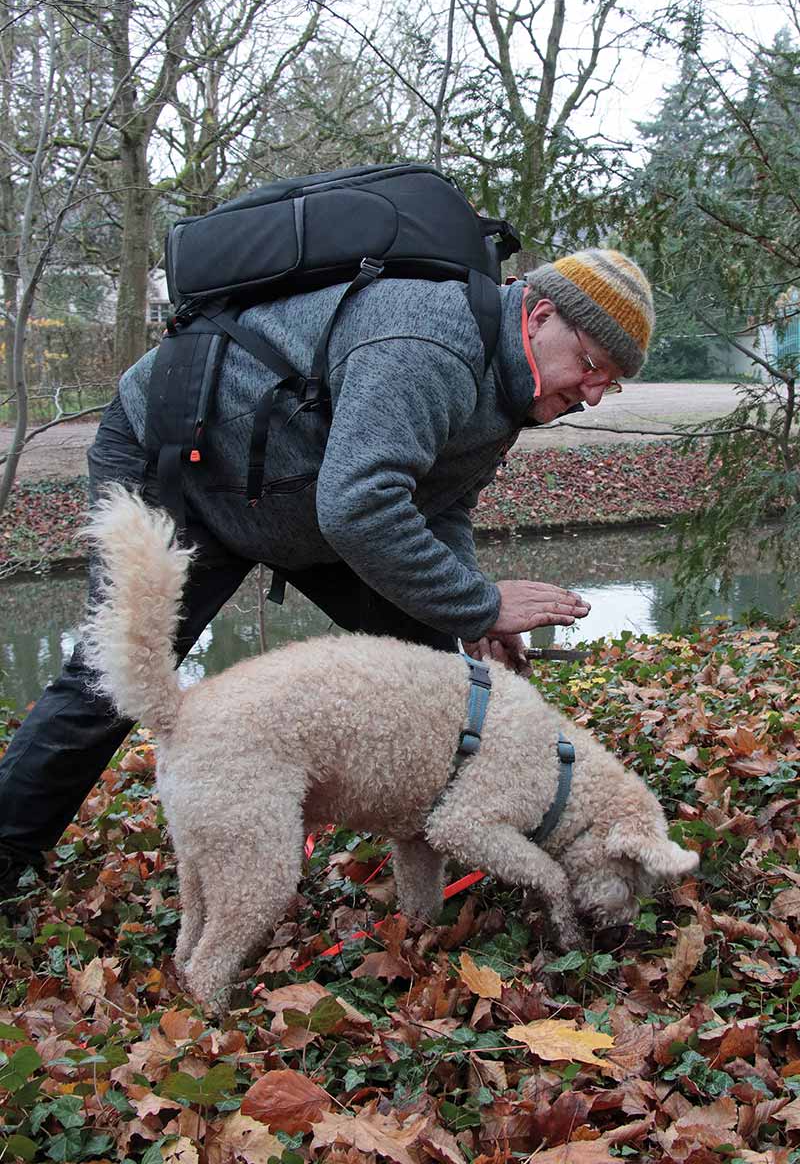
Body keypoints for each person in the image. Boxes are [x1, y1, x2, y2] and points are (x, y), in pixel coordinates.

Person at [0, 248, 654, 898]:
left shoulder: (512, 385)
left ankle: (432, 845)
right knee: (110, 679)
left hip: (293, 494)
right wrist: (481, 605)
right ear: (539, 316)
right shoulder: (431, 343)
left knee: (425, 662)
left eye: (613, 382)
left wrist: (467, 611)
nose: (593, 396)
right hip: (180, 464)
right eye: (592, 365)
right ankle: (6, 851)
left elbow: (442, 502)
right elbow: (360, 509)